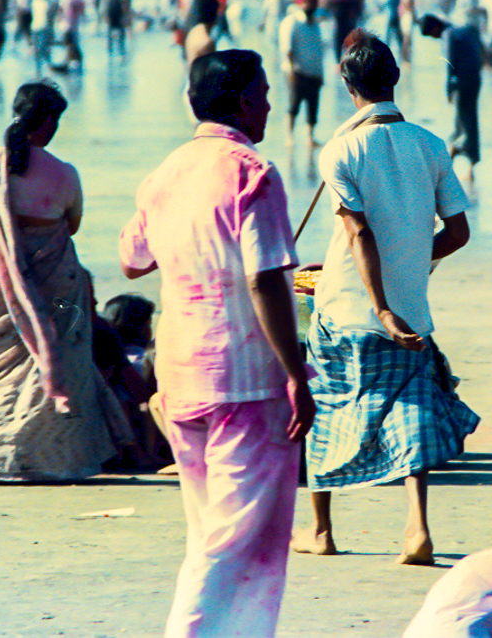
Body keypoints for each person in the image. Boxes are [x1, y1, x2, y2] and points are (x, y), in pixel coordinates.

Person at [119, 49, 314, 638]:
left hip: (177, 378)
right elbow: (266, 279)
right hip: (246, 380)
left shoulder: (164, 174)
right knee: (236, 546)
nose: (271, 104)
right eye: (263, 94)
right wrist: (296, 372)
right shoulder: (250, 172)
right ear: (241, 103)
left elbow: (132, 259)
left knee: (211, 534)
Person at [295, 30, 477, 566]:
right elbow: (458, 232)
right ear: (394, 78)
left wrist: (379, 306)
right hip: (411, 307)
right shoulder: (430, 145)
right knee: (410, 411)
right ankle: (417, 529)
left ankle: (321, 529)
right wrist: (411, 265)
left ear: (349, 86)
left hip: (347, 307)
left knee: (327, 405)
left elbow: (358, 233)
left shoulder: (340, 148)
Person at [0, 81, 130, 482]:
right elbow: (72, 225)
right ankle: (56, 459)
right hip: (56, 278)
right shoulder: (65, 174)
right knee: (63, 354)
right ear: (50, 122)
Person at [420, 14, 485, 176]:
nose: (434, 38)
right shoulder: (463, 29)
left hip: (462, 83)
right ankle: (458, 156)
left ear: (435, 28)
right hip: (475, 79)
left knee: (464, 121)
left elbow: (450, 64)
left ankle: (461, 157)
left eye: (432, 35)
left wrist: (448, 89)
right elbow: (481, 51)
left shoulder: (448, 35)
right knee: (468, 119)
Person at [278, 0, 324, 147]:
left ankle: (310, 137)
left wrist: (321, 74)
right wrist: (291, 71)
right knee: (294, 105)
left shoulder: (316, 24)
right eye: (307, 2)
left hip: (314, 72)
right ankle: (289, 137)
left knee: (313, 105)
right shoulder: (292, 22)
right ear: (300, 3)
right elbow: (287, 49)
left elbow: (319, 50)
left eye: (313, 2)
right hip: (297, 71)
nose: (310, 5)